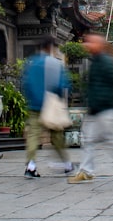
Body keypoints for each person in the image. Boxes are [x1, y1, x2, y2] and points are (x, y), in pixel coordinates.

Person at [69, 33, 113, 183]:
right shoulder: (96, 62)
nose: (87, 45)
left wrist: (107, 103)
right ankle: (86, 171)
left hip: (107, 108)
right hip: (95, 108)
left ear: (99, 45)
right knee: (87, 139)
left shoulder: (107, 62)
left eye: (90, 42)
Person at [21, 36, 74, 178]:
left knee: (33, 135)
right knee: (57, 136)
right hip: (51, 105)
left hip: (34, 106)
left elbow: (25, 84)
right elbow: (64, 84)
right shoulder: (55, 64)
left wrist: (32, 99)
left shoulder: (31, 63)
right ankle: (67, 164)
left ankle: (31, 166)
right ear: (51, 47)